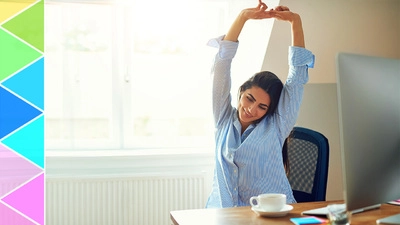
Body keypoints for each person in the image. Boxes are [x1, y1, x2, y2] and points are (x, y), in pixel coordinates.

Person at [205, 1, 315, 208]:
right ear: (241, 92)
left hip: (271, 215)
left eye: (262, 107)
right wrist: (242, 17)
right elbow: (221, 66)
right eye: (249, 98)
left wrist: (295, 22)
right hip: (223, 213)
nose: (251, 109)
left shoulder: (277, 125)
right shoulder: (223, 119)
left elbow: (296, 78)